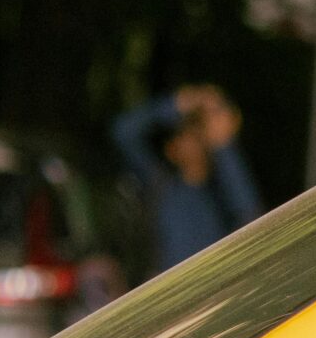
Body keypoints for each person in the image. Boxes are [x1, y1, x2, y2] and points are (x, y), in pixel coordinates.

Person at [110, 85, 263, 277]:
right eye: (183, 134)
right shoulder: (160, 185)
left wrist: (224, 144)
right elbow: (123, 132)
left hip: (213, 288)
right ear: (171, 148)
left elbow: (251, 215)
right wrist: (177, 104)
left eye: (197, 134)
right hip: (164, 292)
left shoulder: (221, 197)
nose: (190, 141)